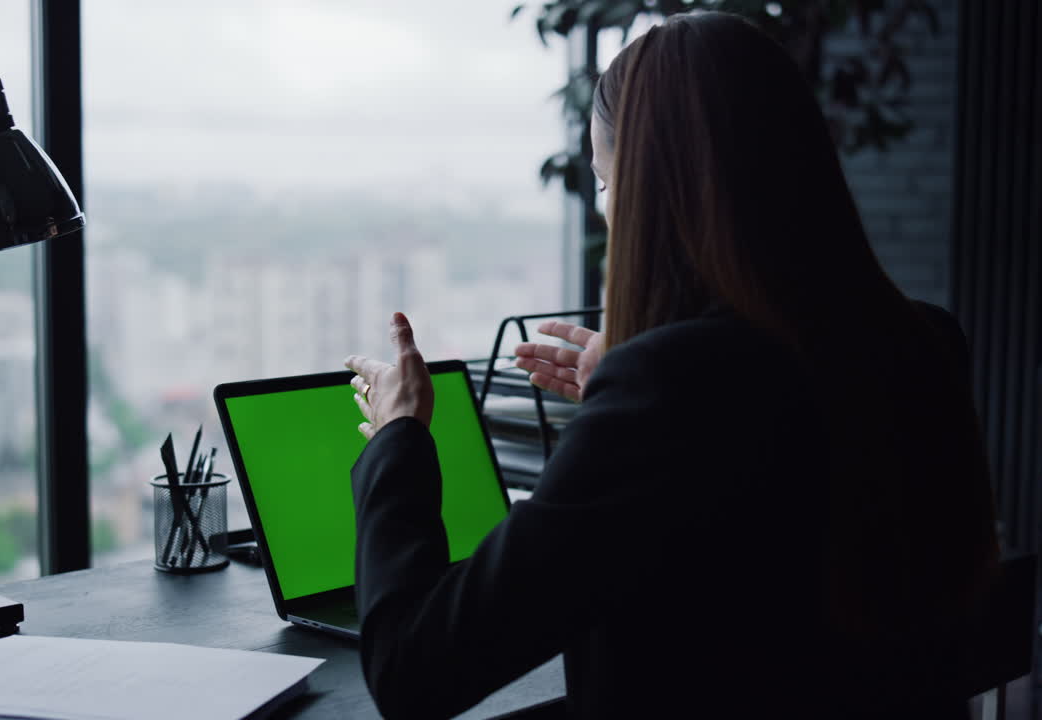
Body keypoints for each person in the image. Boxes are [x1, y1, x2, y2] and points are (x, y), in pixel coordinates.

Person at [344, 10, 999, 719]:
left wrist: (398, 437)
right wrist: (625, 391)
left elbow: (413, 669)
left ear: (655, 189)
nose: (604, 212)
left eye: (603, 181)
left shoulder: (670, 392)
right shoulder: (922, 343)